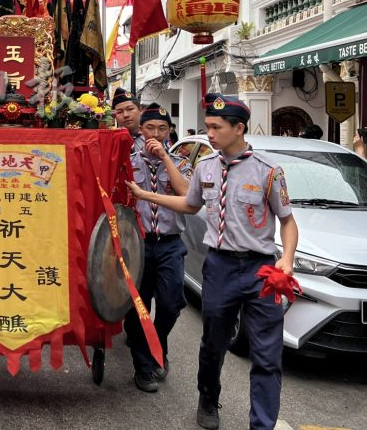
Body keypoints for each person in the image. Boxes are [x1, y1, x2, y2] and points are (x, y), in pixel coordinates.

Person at [127, 93, 298, 430]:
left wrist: (287, 260)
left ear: (239, 128)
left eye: (216, 127)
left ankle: (261, 424)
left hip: (260, 270)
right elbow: (190, 205)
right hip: (219, 268)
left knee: (267, 354)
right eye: (207, 127)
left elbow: (288, 221)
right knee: (214, 343)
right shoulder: (205, 167)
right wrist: (146, 195)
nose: (210, 134)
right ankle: (208, 396)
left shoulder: (268, 172)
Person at [125, 103, 192, 394]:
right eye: (150, 128)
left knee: (170, 303)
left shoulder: (181, 161)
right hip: (138, 245)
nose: (155, 133)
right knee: (138, 307)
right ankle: (144, 367)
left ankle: (158, 342)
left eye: (162, 129)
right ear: (141, 130)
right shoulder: (126, 160)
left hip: (170, 244)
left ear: (169, 132)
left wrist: (166, 158)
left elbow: (188, 196)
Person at [112, 88, 144, 153]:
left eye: (130, 109)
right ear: (114, 116)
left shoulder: (155, 137)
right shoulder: (112, 142)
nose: (125, 115)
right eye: (120, 112)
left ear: (140, 110)